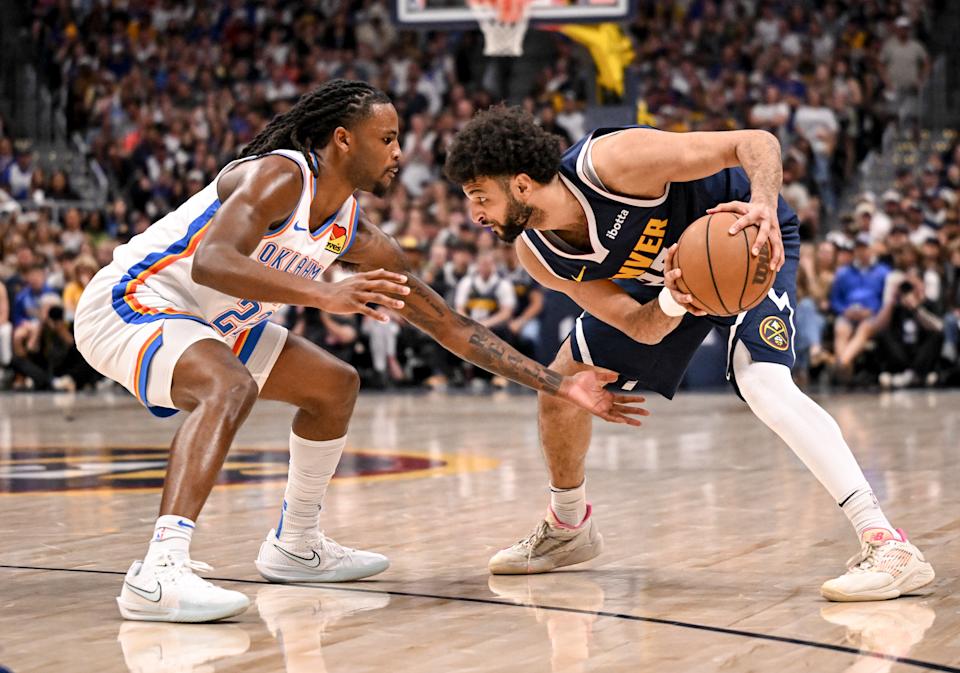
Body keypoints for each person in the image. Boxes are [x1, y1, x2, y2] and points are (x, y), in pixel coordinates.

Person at [74, 81, 645, 624]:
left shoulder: (354, 233)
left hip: (216, 321)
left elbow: (448, 324)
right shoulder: (280, 176)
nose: (400, 151)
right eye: (388, 139)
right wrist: (326, 291)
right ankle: (158, 572)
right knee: (228, 386)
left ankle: (295, 545)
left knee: (333, 386)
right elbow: (213, 263)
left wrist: (559, 384)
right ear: (343, 139)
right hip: (133, 299)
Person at [444, 106, 935, 602]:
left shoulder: (612, 163)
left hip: (742, 242)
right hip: (669, 285)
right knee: (562, 384)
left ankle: (887, 544)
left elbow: (755, 141)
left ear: (523, 186)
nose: (476, 215)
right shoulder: (539, 254)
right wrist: (676, 298)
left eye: (481, 198)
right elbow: (640, 326)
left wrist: (762, 203)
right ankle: (569, 527)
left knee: (761, 381)